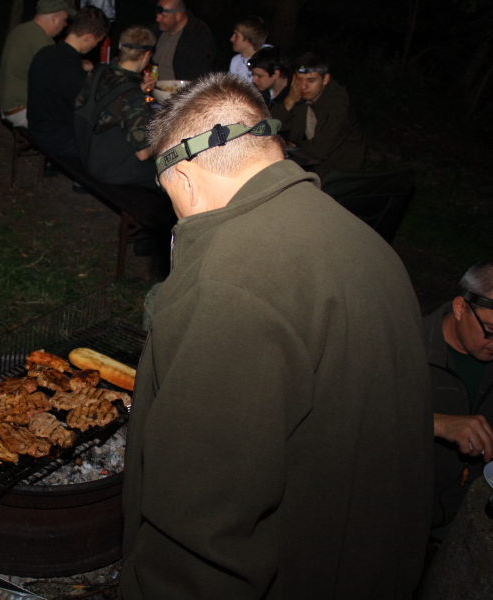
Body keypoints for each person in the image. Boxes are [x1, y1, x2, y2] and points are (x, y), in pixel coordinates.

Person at [121, 72, 433, 598]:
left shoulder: (227, 286)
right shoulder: (366, 242)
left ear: (186, 178)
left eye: (167, 193)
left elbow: (200, 528)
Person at [425, 260, 493, 540]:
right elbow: (358, 420)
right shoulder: (407, 349)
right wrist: (436, 423)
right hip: (402, 516)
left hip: (466, 519)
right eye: (490, 330)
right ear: (460, 307)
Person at [74, 25, 158, 187]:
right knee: (168, 165)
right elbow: (143, 153)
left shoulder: (99, 71)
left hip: (87, 153)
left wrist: (136, 89)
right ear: (147, 55)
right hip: (110, 170)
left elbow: (99, 100)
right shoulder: (131, 95)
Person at [27, 6, 110, 158]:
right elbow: (92, 111)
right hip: (57, 141)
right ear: (88, 37)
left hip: (35, 127)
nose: (96, 46)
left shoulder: (45, 52)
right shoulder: (72, 72)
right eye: (98, 42)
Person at [270, 50, 366, 179]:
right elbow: (269, 125)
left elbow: (319, 149)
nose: (303, 86)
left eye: (311, 80)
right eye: (299, 79)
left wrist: (285, 146)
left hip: (339, 177)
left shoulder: (339, 106)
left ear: (325, 79)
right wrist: (289, 101)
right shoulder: (300, 95)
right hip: (311, 166)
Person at [0, 0, 75, 128]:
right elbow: (58, 81)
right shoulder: (43, 41)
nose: (65, 24)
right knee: (74, 126)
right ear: (54, 18)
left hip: (7, 105)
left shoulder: (20, 29)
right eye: (64, 20)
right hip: (21, 109)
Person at [152, 0, 215, 82]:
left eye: (164, 16)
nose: (157, 19)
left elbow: (200, 74)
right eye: (157, 14)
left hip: (181, 88)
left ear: (177, 16)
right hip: (153, 87)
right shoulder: (155, 31)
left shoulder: (199, 35)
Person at [228, 15, 269, 83]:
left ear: (250, 41)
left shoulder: (268, 60)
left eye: (236, 36)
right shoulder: (235, 61)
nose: (231, 39)